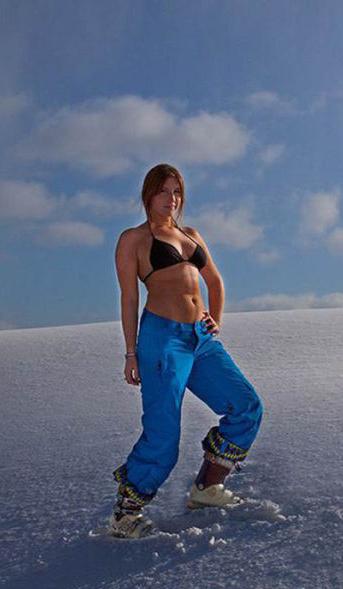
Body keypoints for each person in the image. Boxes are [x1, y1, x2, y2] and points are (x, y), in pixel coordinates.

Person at [110, 163, 263, 538]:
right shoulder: (134, 239)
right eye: (164, 191)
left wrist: (216, 321)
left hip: (202, 339)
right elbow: (129, 298)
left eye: (177, 192)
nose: (172, 199)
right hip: (162, 339)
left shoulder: (191, 234)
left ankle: (207, 489)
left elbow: (214, 281)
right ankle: (126, 512)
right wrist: (131, 353)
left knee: (245, 406)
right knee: (164, 432)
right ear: (148, 193)